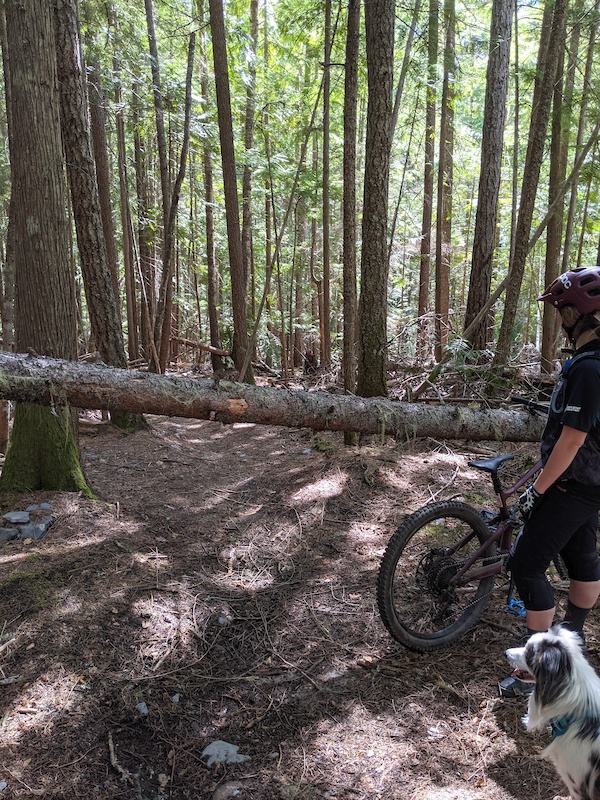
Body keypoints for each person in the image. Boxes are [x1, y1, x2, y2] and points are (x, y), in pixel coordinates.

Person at [500, 266, 600, 698]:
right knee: (582, 559)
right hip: (589, 486)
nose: (558, 316)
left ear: (581, 313)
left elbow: (573, 440)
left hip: (570, 485)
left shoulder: (589, 368)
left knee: (525, 564)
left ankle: (537, 673)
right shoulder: (588, 364)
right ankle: (570, 642)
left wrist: (535, 491)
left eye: (562, 308)